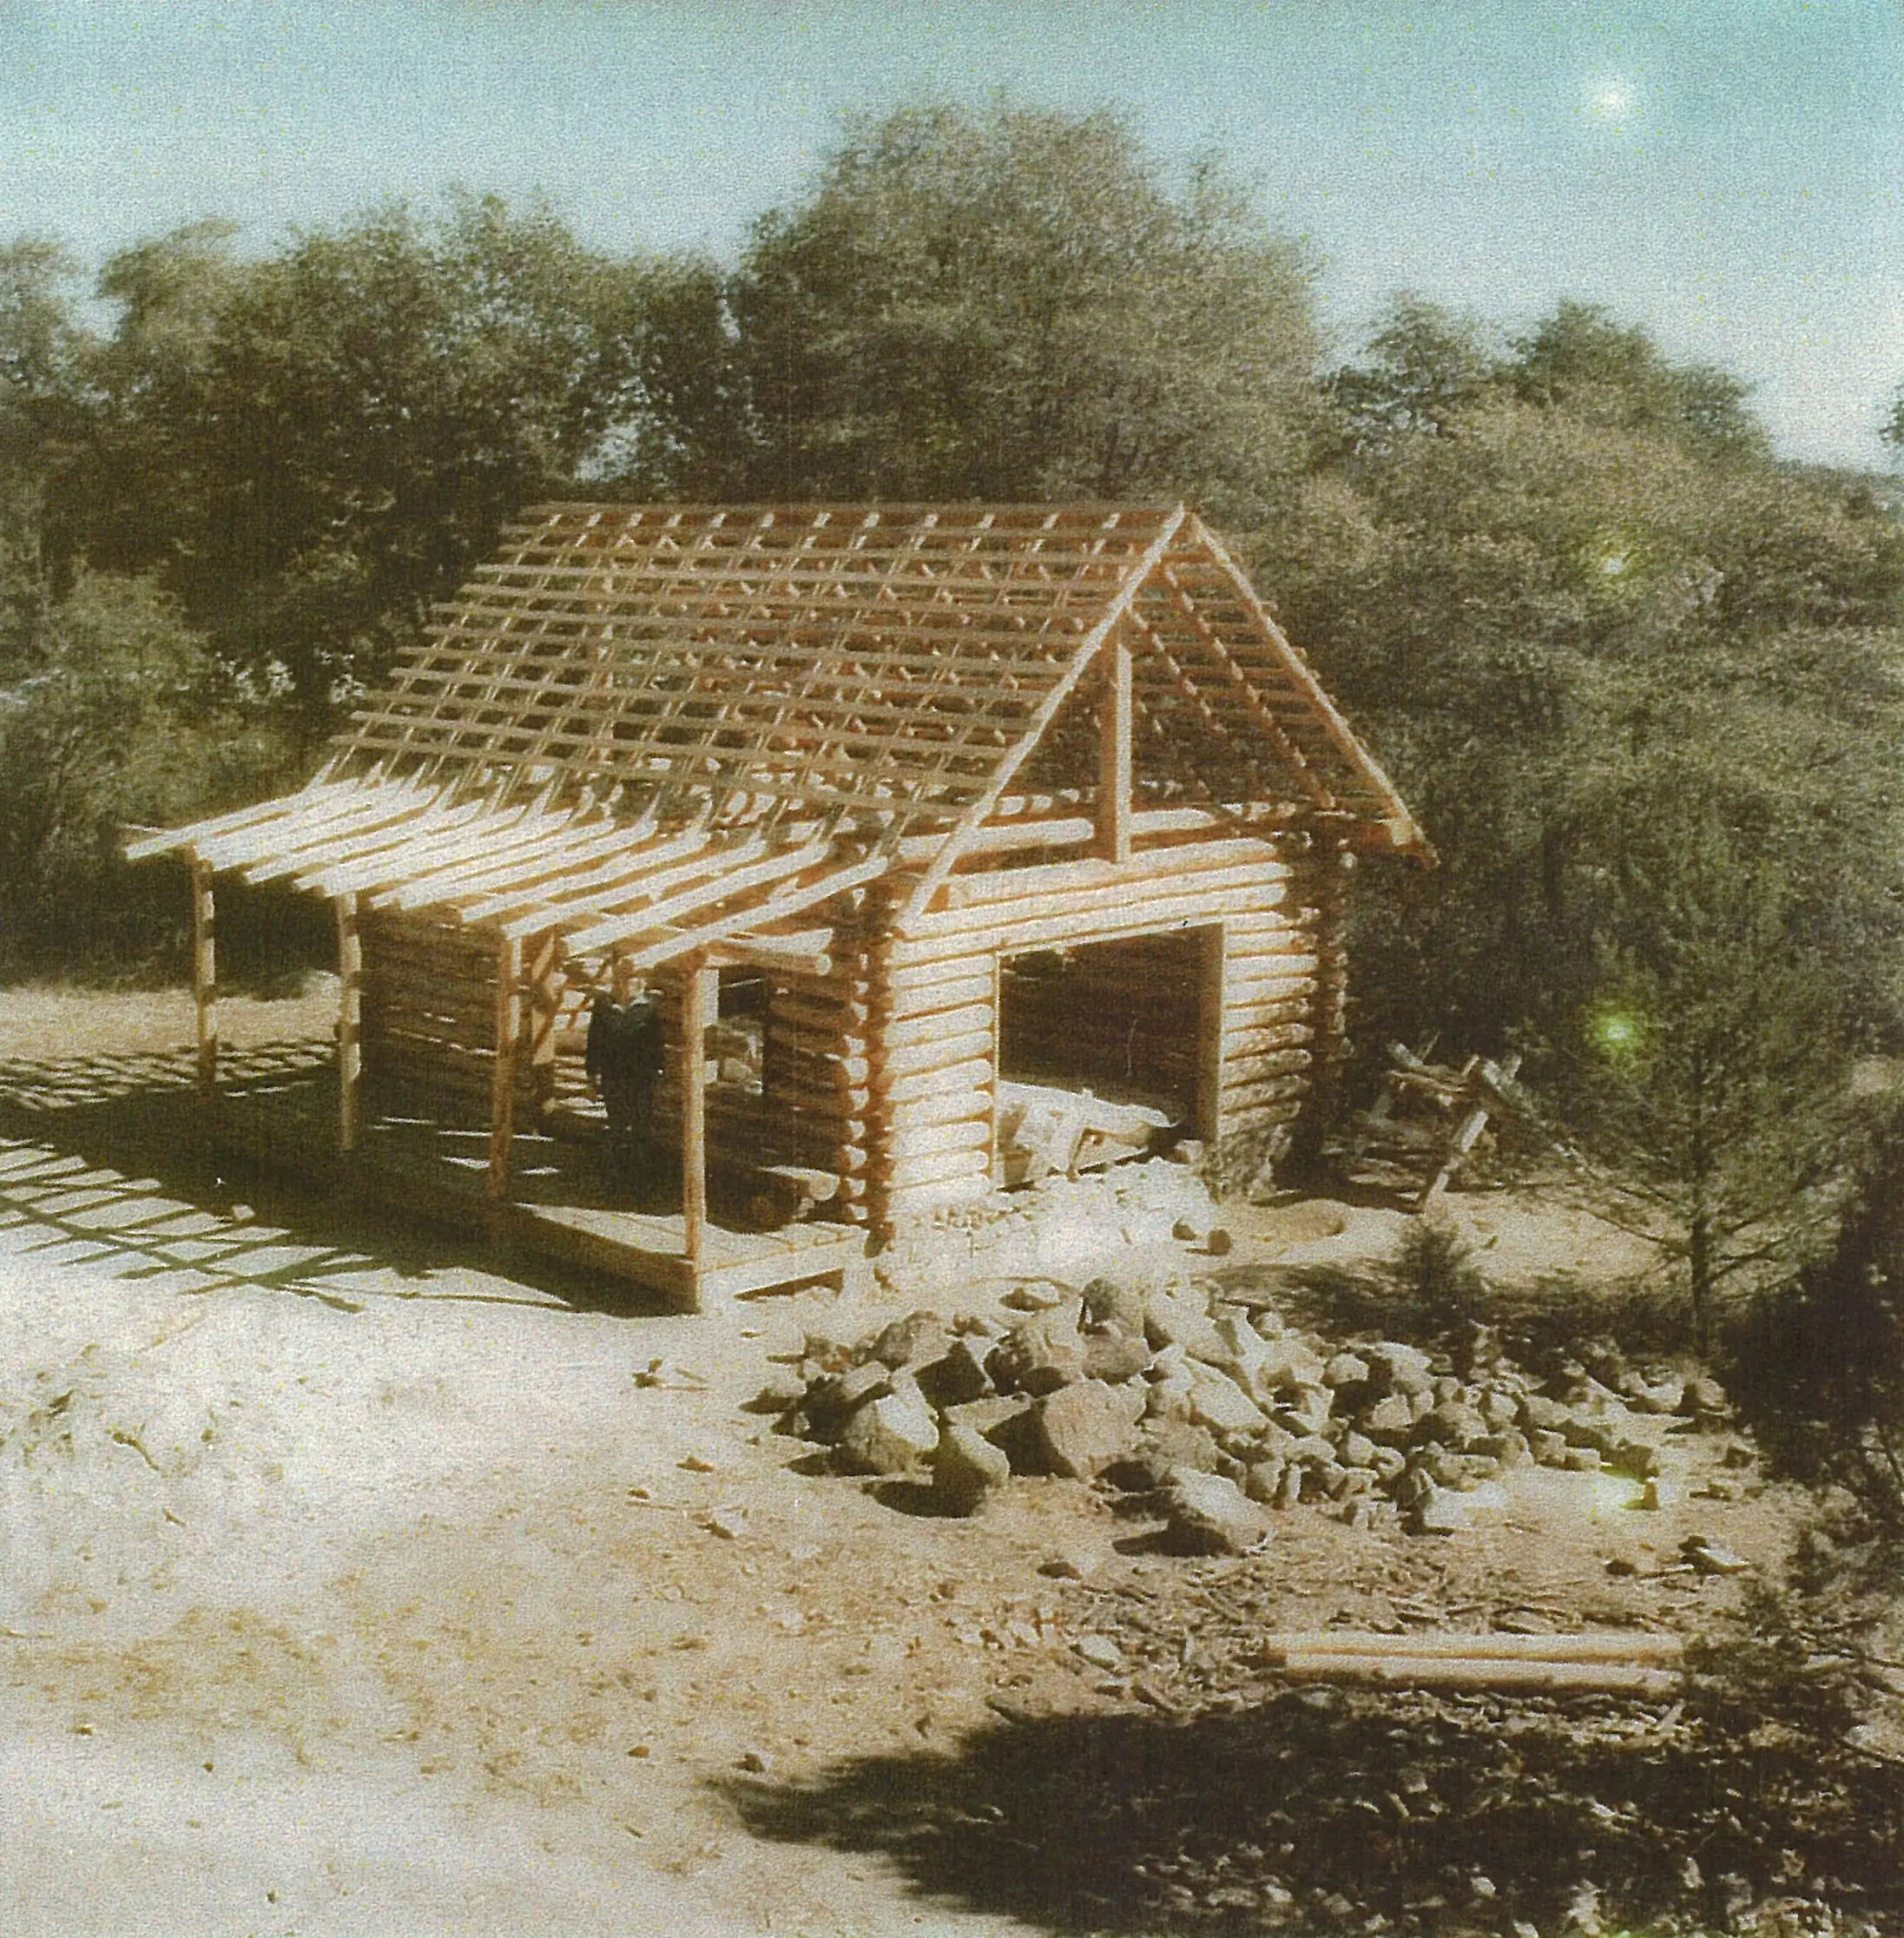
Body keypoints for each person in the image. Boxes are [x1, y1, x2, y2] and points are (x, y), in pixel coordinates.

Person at [586, 988, 665, 1189]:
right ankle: (615, 1178)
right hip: (614, 1076)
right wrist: (592, 1074)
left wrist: (659, 1072)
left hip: (641, 1077)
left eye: (633, 978)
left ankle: (641, 1180)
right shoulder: (604, 1008)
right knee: (617, 1123)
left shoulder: (648, 1009)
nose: (628, 984)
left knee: (641, 1125)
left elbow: (657, 1045)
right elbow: (594, 1042)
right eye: (623, 978)